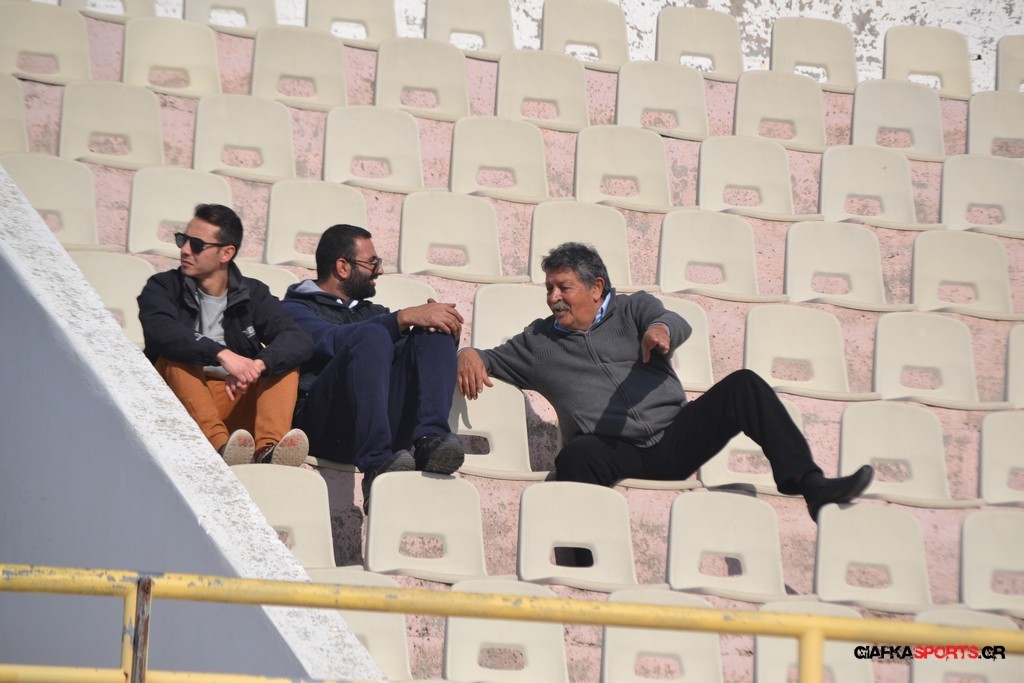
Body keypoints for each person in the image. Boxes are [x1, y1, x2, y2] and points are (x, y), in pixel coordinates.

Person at [457, 242, 874, 521]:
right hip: (616, 451)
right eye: (549, 288)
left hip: (676, 436)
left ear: (596, 287)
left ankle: (811, 485)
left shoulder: (632, 308)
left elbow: (671, 320)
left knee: (744, 385)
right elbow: (489, 359)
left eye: (563, 287)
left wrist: (661, 331)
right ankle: (578, 562)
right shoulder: (538, 342)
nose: (553, 297)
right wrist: (467, 354)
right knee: (576, 455)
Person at [281, 224, 466, 508]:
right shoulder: (293, 310)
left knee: (431, 330)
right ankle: (376, 464)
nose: (379, 270)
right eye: (372, 262)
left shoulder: (373, 313)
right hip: (325, 427)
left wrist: (445, 328)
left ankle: (431, 440)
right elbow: (331, 340)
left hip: (380, 422)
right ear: (343, 267)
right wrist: (402, 317)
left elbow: (411, 361)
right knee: (372, 335)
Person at [139, 203, 313, 466]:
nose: (185, 250)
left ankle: (268, 450)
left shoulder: (253, 293)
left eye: (197, 244)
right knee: (176, 356)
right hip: (182, 400)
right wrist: (221, 354)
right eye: (183, 240)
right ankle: (220, 446)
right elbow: (160, 331)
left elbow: (299, 338)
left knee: (283, 362)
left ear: (226, 253)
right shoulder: (163, 287)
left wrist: (257, 365)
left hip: (234, 397)